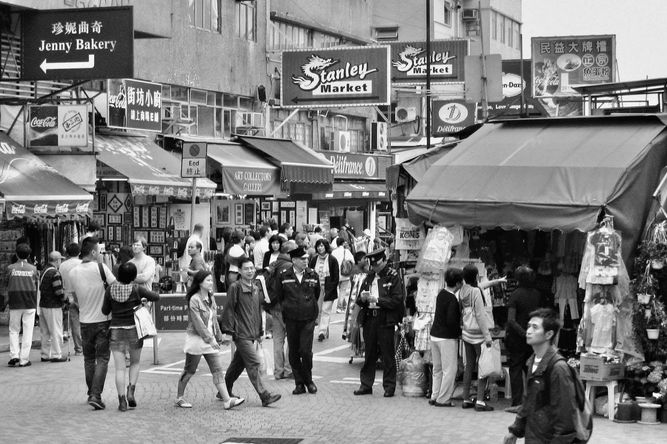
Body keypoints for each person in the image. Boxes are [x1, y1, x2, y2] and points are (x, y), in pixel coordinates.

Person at [503, 308, 579, 444]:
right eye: (528, 326)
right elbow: (528, 401)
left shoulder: (558, 368)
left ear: (549, 334)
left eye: (535, 327)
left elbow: (566, 418)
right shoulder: (532, 361)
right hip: (535, 437)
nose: (529, 331)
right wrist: (515, 430)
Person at [175, 270, 244, 410]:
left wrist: (218, 338)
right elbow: (197, 323)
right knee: (189, 370)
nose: (211, 283)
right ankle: (179, 397)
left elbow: (213, 321)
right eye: (208, 280)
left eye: (211, 280)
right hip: (196, 340)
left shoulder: (211, 297)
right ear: (200, 283)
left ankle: (227, 400)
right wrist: (210, 339)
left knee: (217, 370)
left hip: (209, 340)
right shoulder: (194, 299)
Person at [221, 258, 282, 407]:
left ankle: (224, 389)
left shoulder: (255, 288)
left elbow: (256, 312)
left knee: (238, 364)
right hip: (241, 333)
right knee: (254, 363)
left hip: (252, 333)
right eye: (246, 269)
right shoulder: (235, 287)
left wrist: (260, 332)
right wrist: (228, 332)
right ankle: (264, 395)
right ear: (240, 271)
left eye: (252, 268)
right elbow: (228, 309)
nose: (250, 271)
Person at [101, 262, 160, 411]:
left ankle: (121, 401)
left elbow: (104, 310)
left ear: (118, 274)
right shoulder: (136, 289)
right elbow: (156, 297)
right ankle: (131, 391)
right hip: (134, 331)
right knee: (134, 363)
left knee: (120, 368)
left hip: (115, 330)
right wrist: (141, 300)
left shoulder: (110, 289)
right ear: (134, 276)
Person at [69, 237, 117, 410]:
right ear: (94, 252)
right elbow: (115, 286)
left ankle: (91, 391)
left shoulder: (73, 272)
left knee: (88, 359)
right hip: (103, 320)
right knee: (102, 358)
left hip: (84, 321)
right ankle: (95, 395)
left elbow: (74, 297)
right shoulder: (101, 267)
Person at [353, 248, 404, 398]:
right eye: (372, 265)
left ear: (384, 260)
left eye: (377, 264)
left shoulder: (392, 276)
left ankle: (389, 386)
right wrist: (363, 299)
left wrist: (378, 300)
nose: (374, 267)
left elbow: (396, 300)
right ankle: (366, 384)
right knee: (369, 353)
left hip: (385, 318)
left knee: (387, 354)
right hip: (370, 318)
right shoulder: (369, 277)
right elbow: (358, 299)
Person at [272, 246, 320, 395]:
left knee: (305, 352)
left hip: (308, 318)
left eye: (306, 258)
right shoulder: (284, 275)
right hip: (291, 318)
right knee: (293, 351)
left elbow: (316, 294)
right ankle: (299, 383)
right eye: (302, 259)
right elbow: (279, 296)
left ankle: (309, 380)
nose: (306, 261)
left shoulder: (313, 274)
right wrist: (287, 308)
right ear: (294, 260)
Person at [505, 266, 547, 413]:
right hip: (534, 338)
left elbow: (511, 320)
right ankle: (533, 401)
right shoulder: (537, 294)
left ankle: (517, 402)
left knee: (516, 368)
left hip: (517, 338)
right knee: (531, 369)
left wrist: (523, 333)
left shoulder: (515, 295)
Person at [459, 264, 494, 411]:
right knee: (483, 366)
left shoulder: (462, 291)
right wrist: (487, 336)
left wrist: (496, 282)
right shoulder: (476, 292)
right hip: (478, 334)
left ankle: (466, 399)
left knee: (469, 367)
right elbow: (480, 315)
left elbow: (480, 286)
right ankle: (480, 401)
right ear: (475, 276)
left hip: (467, 333)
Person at [428, 268, 463, 407]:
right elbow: (451, 321)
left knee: (437, 369)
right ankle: (443, 399)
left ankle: (434, 395)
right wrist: (459, 331)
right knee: (449, 370)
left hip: (434, 335)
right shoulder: (452, 299)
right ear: (459, 283)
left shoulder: (441, 294)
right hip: (446, 337)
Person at [263, 240, 296, 380]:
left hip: (273, 307)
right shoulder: (290, 266)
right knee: (291, 339)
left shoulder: (273, 264)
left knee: (278, 340)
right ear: (289, 253)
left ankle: (278, 371)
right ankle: (289, 370)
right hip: (286, 307)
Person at [5, 243, 40, 367]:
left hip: (15, 302)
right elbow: (36, 283)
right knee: (28, 331)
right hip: (29, 302)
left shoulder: (10, 268)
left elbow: (6, 283)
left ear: (16, 254)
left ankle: (14, 355)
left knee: (14, 330)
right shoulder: (33, 269)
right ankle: (24, 359)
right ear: (29, 255)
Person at [39, 251, 67, 363]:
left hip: (43, 305)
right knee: (56, 331)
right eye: (60, 259)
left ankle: (45, 354)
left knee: (44, 332)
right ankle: (56, 354)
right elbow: (59, 291)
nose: (60, 261)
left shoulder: (44, 271)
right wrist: (66, 300)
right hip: (53, 306)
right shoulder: (55, 273)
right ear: (57, 260)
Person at [309, 239, 339, 342]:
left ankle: (322, 331)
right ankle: (325, 329)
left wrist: (331, 288)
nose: (320, 248)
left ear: (326, 247)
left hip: (328, 288)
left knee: (326, 310)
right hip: (316, 288)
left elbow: (336, 277)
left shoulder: (332, 260)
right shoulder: (314, 259)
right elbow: (310, 273)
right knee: (318, 310)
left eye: (322, 246)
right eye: (318, 246)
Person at [60, 243, 83, 355]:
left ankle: (79, 348)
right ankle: (83, 347)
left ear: (67, 253)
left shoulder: (62, 265)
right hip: (82, 294)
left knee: (74, 322)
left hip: (68, 294)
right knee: (85, 321)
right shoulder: (83, 264)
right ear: (79, 252)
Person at [331, 238, 354, 313]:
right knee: (342, 291)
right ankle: (339, 307)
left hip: (335, 274)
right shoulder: (346, 251)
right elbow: (352, 261)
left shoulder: (333, 252)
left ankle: (343, 305)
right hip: (345, 274)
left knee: (339, 291)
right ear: (343, 243)